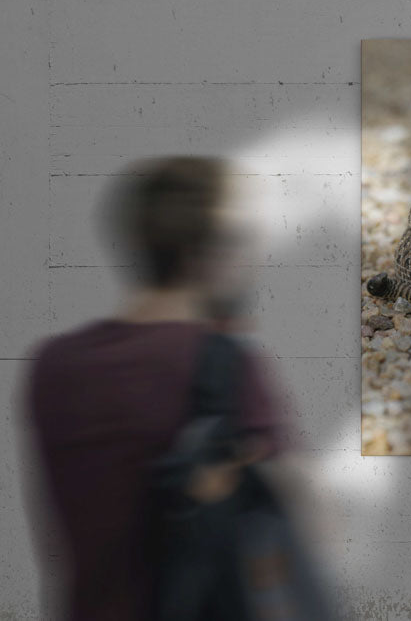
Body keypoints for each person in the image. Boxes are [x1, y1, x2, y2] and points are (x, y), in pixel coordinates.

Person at [19, 157, 287, 620]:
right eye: (243, 240)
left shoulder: (53, 365)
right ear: (205, 253)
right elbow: (283, 549)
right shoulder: (224, 364)